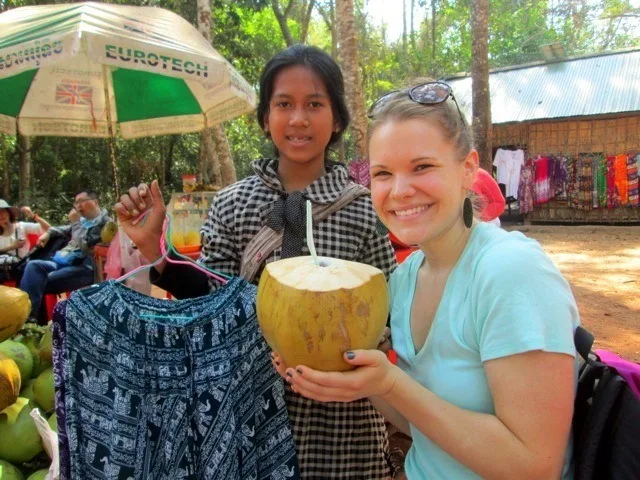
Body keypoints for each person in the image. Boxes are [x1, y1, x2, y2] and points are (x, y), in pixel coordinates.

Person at [115, 45, 397, 479]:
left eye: (315, 104)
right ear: (265, 117)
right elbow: (212, 298)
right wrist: (158, 252)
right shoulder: (233, 204)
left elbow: (387, 312)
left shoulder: (364, 212)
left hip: (342, 422)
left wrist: (360, 364)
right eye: (284, 104)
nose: (299, 118)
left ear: (337, 118)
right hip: (247, 411)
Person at [280, 81, 580, 480]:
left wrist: (391, 382)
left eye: (422, 167)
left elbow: (535, 465)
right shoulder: (405, 278)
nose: (400, 191)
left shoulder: (510, 272)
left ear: (468, 168)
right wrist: (363, 381)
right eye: (383, 173)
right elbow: (424, 424)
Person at [20, 190, 110, 320]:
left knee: (35, 283)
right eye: (76, 202)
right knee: (33, 266)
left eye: (81, 201)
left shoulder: (106, 223)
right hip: (64, 261)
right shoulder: (82, 221)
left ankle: (29, 320)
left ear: (95, 202)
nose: (78, 205)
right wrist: (48, 234)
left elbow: (85, 245)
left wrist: (76, 223)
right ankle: (28, 319)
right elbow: (62, 229)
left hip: (87, 267)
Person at [0, 199, 51, 282]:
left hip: (21, 269)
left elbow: (49, 229)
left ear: (9, 213)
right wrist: (12, 247)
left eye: (3, 211)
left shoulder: (21, 227)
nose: (1, 215)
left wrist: (33, 216)